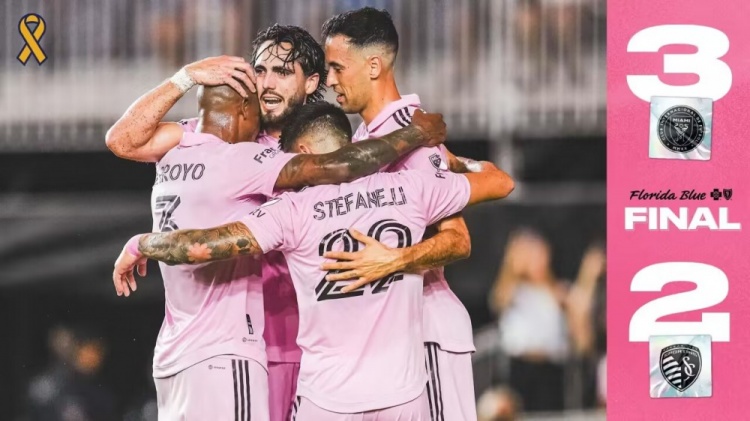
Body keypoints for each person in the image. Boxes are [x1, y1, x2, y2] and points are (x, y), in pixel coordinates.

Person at [106, 23, 477, 421]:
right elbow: (122, 140)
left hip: (323, 357)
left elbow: (445, 210)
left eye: (282, 72)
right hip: (249, 348)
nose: (267, 83)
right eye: (260, 70)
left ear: (311, 81)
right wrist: (186, 77)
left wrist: (454, 172)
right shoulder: (219, 141)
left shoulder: (333, 142)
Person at [320, 8, 481, 420]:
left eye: (337, 68)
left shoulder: (414, 137)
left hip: (428, 327)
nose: (330, 80)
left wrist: (394, 260)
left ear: (374, 66)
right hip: (389, 339)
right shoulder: (366, 140)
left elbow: (457, 239)